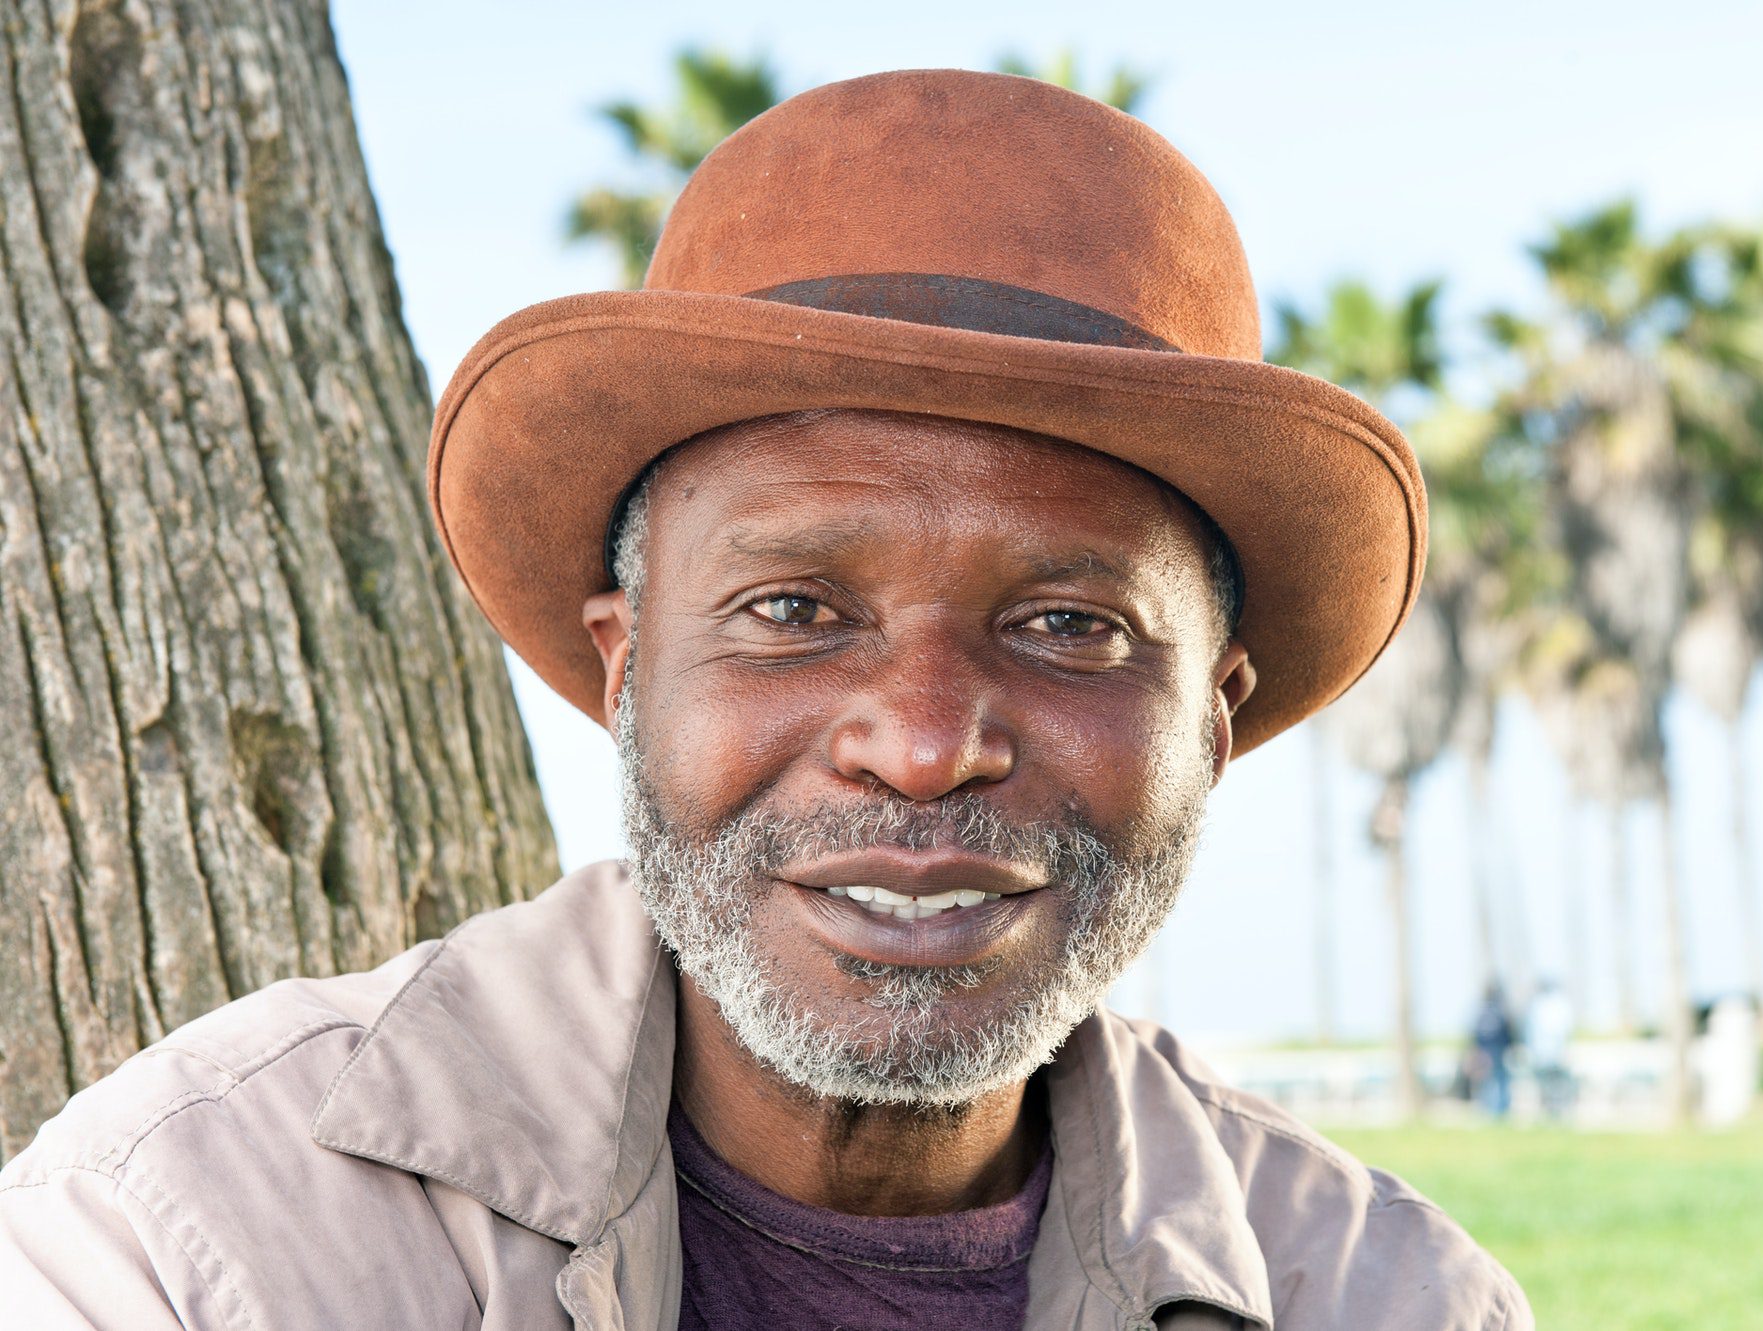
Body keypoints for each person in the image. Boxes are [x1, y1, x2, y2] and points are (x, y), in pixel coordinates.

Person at [0, 70, 1530, 1329]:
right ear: (624, 665)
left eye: (1068, 624)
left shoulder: (1392, 1300)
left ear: (1210, 716)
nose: (925, 744)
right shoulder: (184, 1239)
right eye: (794, 611)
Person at [1524, 978, 1577, 1121]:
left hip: (1544, 1053)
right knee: (1555, 1084)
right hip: (1552, 1052)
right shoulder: (1560, 1004)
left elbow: (1529, 1030)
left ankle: (1552, 1111)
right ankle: (1555, 1111)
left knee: (1548, 1085)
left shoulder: (1536, 1005)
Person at [1471, 981, 1519, 1119]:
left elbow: (1475, 1034)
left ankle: (1490, 1111)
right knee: (1501, 1081)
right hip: (1499, 1052)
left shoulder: (1481, 1011)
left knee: (1488, 1082)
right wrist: (1512, 1046)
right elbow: (1509, 1032)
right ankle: (1501, 1111)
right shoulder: (1501, 1011)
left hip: (1485, 1053)